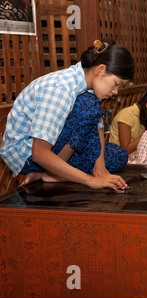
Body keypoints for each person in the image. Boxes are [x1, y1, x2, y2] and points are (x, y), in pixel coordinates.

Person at [0, 39, 135, 191]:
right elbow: (39, 153)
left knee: (118, 156)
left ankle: (47, 174)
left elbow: (98, 128)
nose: (115, 92)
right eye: (116, 84)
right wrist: (91, 180)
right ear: (100, 70)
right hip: (29, 155)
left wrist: (100, 168)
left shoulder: (89, 86)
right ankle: (51, 172)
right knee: (89, 105)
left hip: (57, 149)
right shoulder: (60, 89)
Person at [109, 87, 147, 163]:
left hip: (140, 157)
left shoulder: (146, 117)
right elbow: (125, 149)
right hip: (121, 160)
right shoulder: (127, 115)